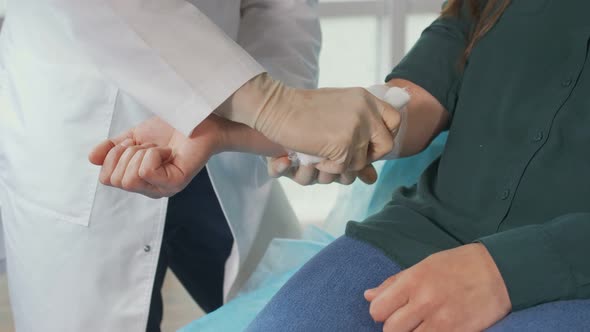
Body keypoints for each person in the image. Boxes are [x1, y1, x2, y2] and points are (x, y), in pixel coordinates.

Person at [0, 1, 399, 332]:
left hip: (229, 124)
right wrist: (274, 107)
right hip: (82, 118)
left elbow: (279, 5)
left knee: (282, 306)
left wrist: (276, 125)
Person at [242, 0, 590, 331]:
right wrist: (337, 133)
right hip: (420, 233)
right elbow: (414, 100)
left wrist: (510, 272)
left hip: (570, 273)